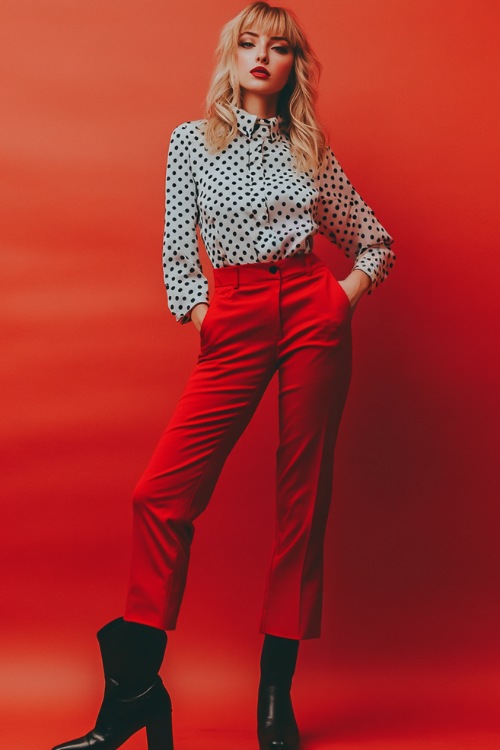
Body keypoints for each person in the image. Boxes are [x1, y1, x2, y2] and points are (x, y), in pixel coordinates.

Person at [51, 2, 396, 749]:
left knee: (300, 504)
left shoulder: (310, 149)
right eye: (249, 43)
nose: (262, 56)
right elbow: (179, 255)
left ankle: (276, 695)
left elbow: (374, 242)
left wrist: (340, 302)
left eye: (277, 47)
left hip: (311, 308)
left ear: (292, 65)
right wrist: (205, 316)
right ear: (231, 58)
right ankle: (137, 691)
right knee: (159, 494)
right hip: (233, 313)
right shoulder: (192, 143)